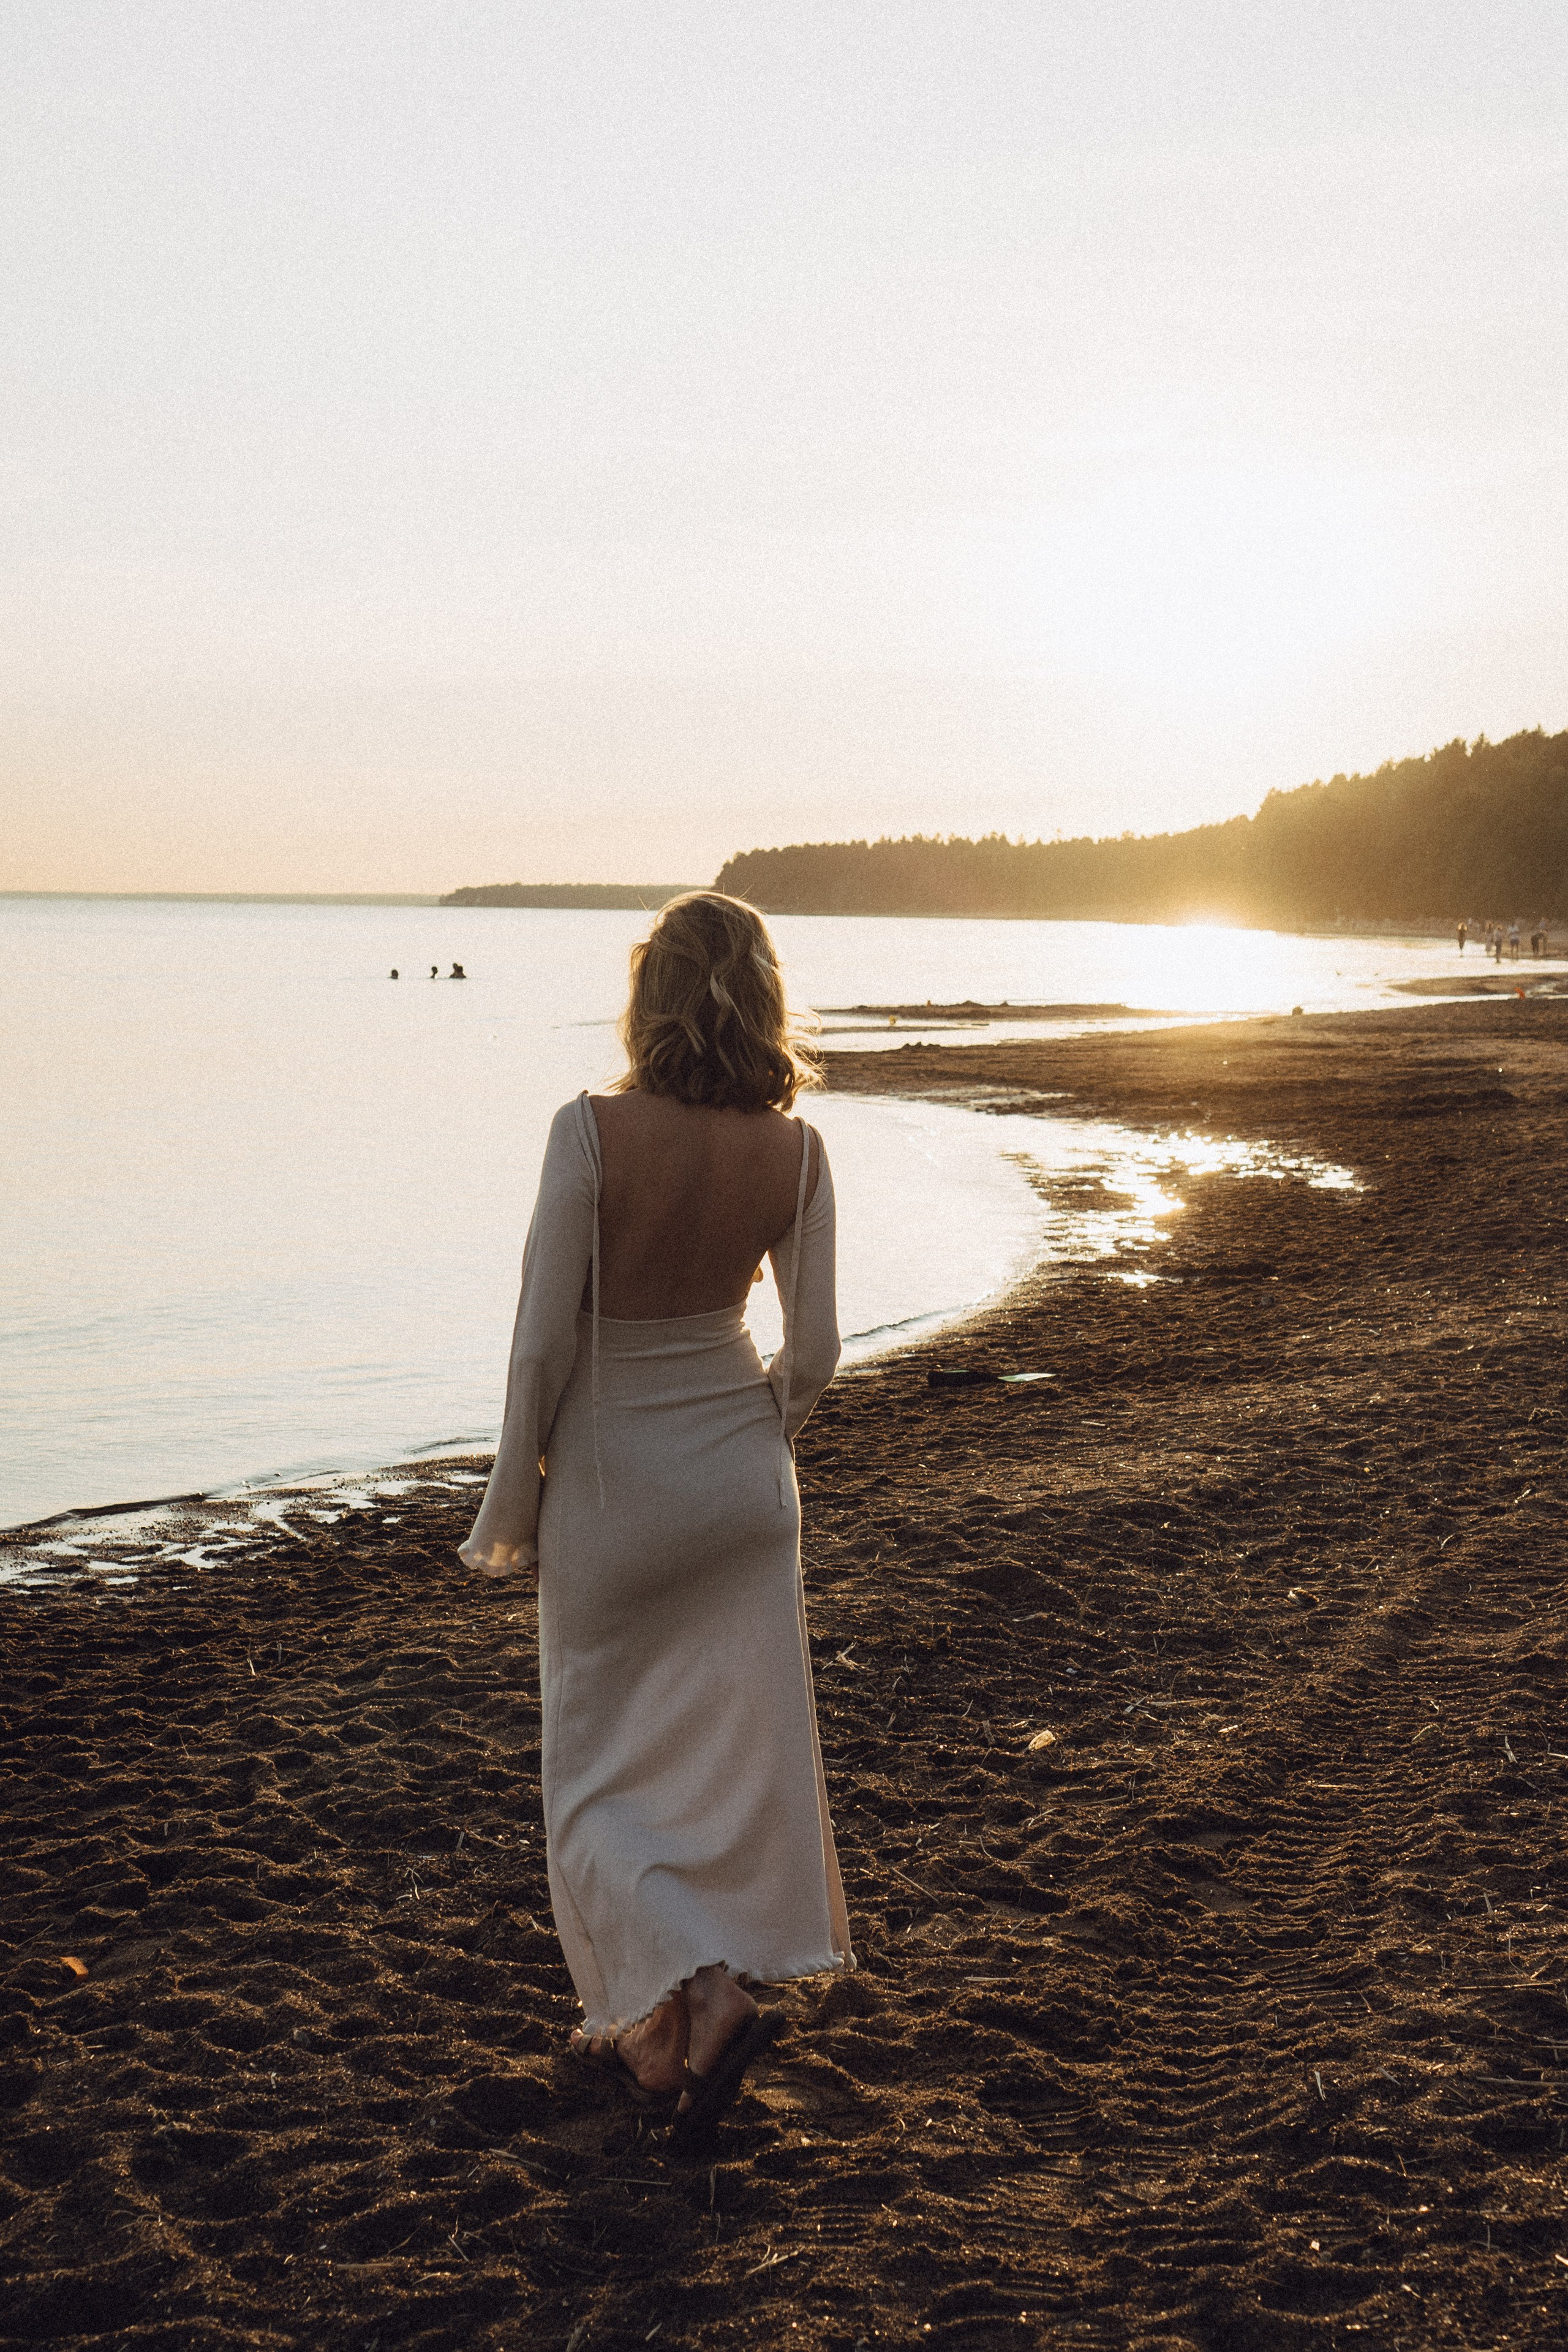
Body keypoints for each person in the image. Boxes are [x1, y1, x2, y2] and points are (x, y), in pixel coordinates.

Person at [459, 891, 849, 2135]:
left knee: (592, 1779)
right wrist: (751, 1439)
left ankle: (713, 1998)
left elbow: (537, 1351)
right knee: (709, 1766)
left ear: (648, 993)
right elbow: (819, 1353)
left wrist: (511, 1498)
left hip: (616, 1484)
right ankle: (654, 2044)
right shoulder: (795, 1151)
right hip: (740, 1483)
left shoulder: (587, 1131)